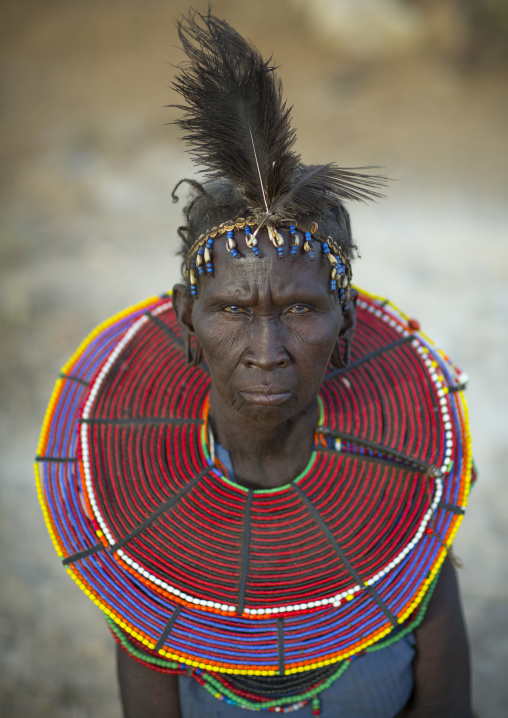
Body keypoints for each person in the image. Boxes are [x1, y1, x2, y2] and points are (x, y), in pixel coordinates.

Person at [35, 11, 474, 718]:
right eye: (233, 311)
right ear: (185, 321)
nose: (266, 354)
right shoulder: (145, 535)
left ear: (346, 326)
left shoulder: (404, 510)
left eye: (300, 310)